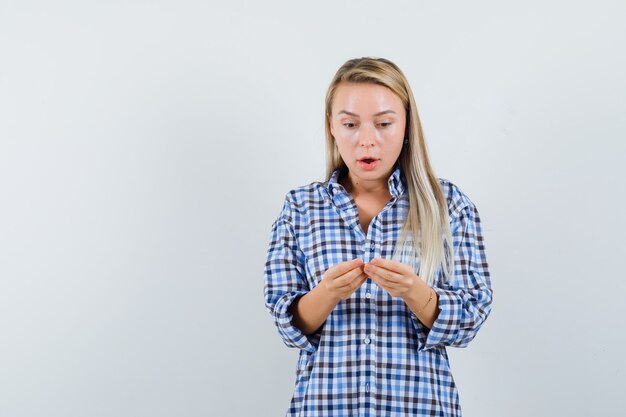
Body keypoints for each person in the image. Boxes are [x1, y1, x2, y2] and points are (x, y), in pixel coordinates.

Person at [263, 57, 493, 417]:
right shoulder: (301, 208)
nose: (367, 141)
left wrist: (414, 292)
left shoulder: (449, 206)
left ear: (405, 125)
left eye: (384, 123)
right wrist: (328, 293)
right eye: (350, 124)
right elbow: (286, 324)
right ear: (332, 128)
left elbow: (470, 319)